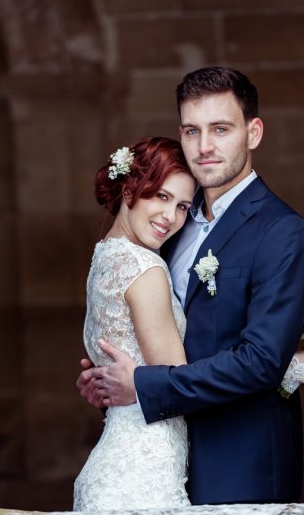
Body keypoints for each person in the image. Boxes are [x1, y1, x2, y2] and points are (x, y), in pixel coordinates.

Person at [77, 67, 304, 505]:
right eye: (192, 131)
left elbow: (261, 362)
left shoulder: (283, 232)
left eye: (220, 129)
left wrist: (142, 385)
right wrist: (109, 381)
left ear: (253, 132)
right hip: (162, 459)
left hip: (238, 462)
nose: (204, 147)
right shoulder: (169, 229)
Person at [73, 137, 196, 510]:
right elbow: (178, 385)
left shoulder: (104, 260)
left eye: (183, 206)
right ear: (130, 189)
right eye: (160, 196)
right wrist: (280, 366)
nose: (170, 217)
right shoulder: (146, 268)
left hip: (116, 468)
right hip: (141, 477)